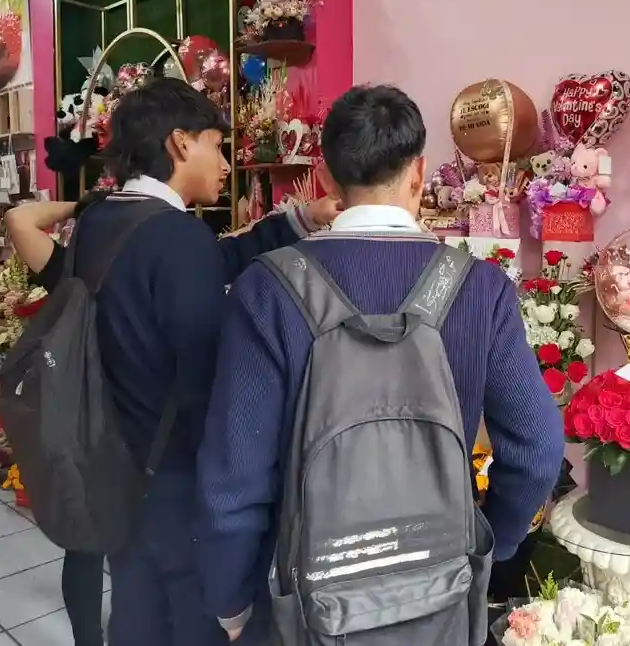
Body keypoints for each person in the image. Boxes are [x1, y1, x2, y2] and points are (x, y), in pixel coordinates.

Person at [197, 84, 565, 643]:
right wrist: (494, 545)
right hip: (440, 592)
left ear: (324, 177)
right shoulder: (479, 288)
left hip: (309, 602)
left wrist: (231, 601)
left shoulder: (266, 289)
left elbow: (234, 477)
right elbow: (537, 451)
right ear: (419, 172)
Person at [4, 78, 340, 646]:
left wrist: (299, 219)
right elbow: (212, 382)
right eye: (218, 145)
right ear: (182, 143)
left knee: (136, 610)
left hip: (117, 463)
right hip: (176, 483)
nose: (227, 163)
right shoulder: (177, 238)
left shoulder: (104, 225)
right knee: (190, 620)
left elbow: (205, 260)